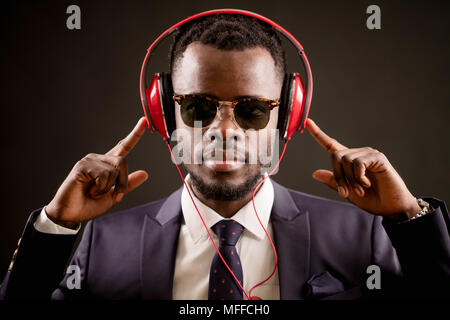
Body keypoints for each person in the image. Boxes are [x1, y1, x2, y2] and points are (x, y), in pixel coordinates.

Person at [1, 13, 448, 300]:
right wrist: (56, 225)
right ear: (165, 113)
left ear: (287, 117)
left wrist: (410, 217)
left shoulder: (365, 237)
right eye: (198, 107)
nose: (224, 130)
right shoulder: (100, 244)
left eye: (253, 110)